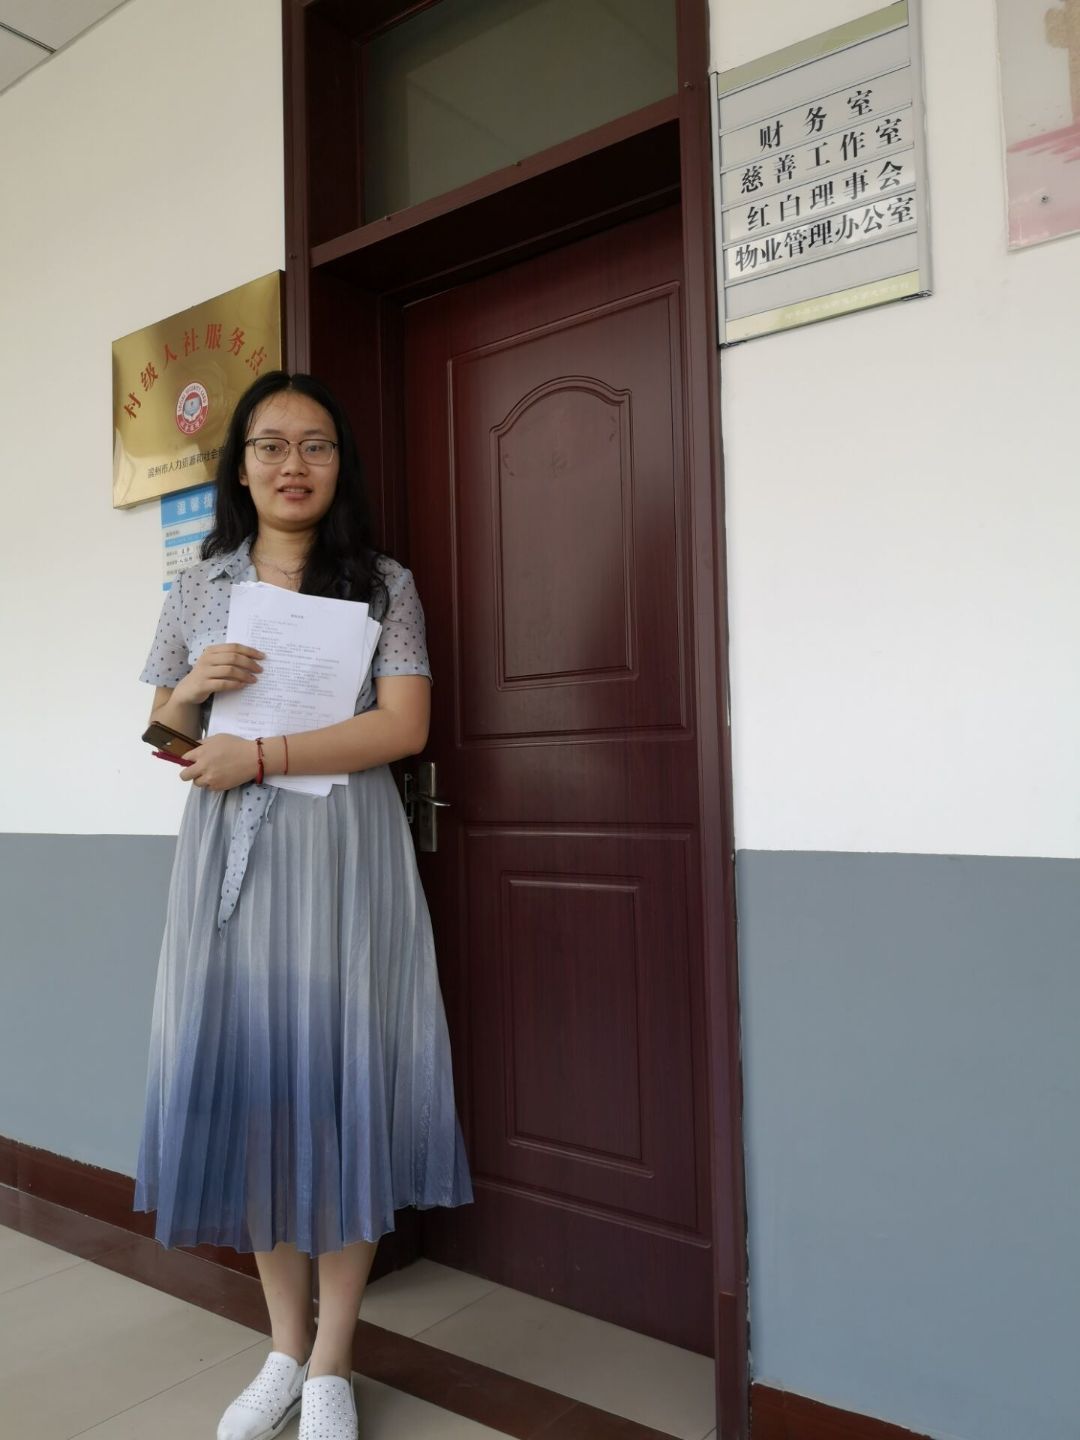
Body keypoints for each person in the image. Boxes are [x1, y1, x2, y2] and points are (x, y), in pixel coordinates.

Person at [133, 370, 473, 1440]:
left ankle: (334, 1360)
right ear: (240, 466)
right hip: (229, 860)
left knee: (340, 1083)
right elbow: (165, 736)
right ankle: (282, 1347)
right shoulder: (198, 587)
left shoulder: (382, 585)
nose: (293, 464)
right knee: (255, 1091)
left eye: (315, 445)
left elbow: (404, 728)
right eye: (271, 445)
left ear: (339, 465)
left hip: (344, 854)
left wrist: (265, 754)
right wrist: (194, 693)